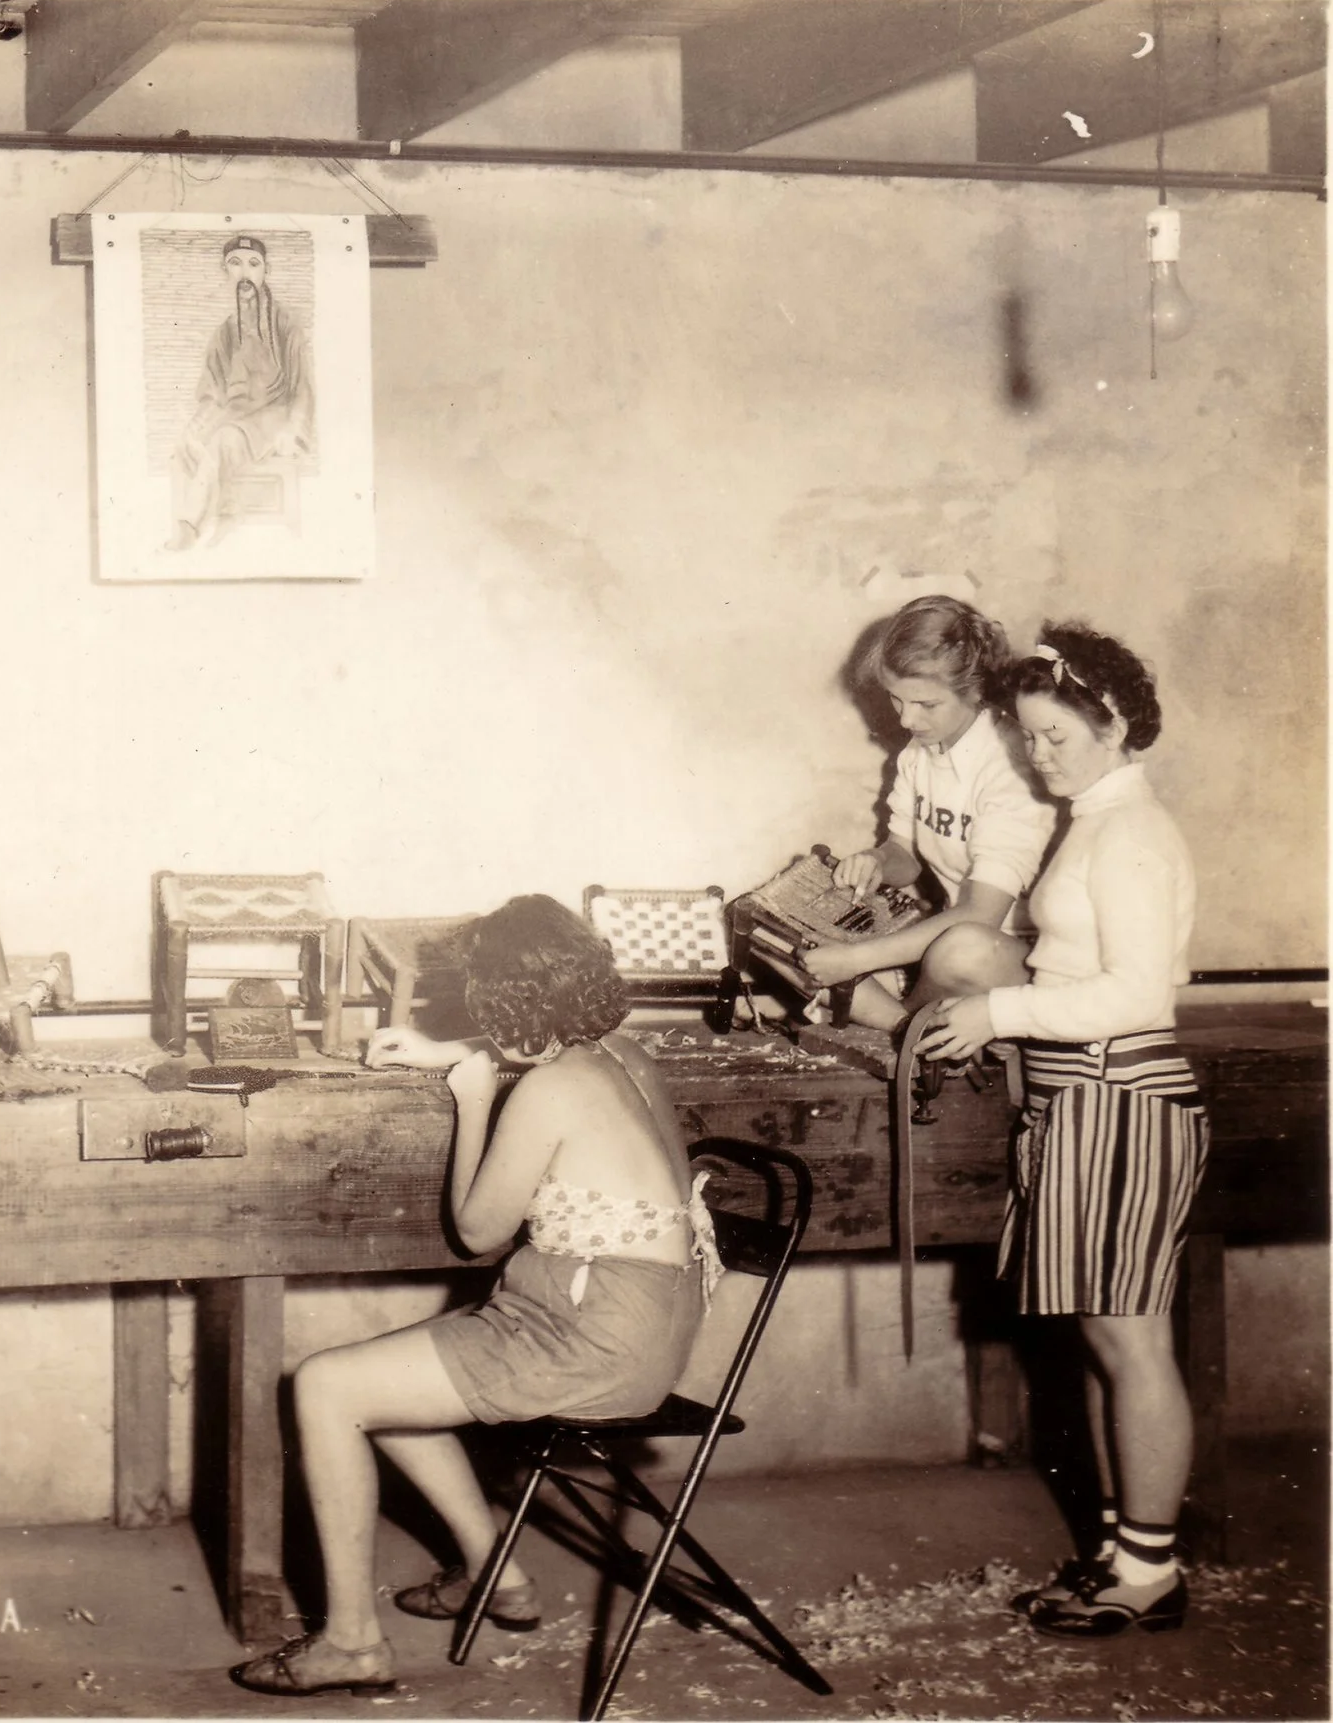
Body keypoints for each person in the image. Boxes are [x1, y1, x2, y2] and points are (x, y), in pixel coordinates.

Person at [230, 896, 721, 1696]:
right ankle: (499, 1574)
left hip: (591, 1336)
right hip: (640, 1320)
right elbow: (545, 1061)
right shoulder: (622, 1052)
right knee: (380, 1380)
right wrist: (454, 1050)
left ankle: (352, 1642)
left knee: (325, 1386)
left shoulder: (547, 1092)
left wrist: (474, 1098)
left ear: (511, 1001)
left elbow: (477, 1231)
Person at [920, 624, 1205, 1637]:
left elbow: (1136, 995)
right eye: (1028, 736)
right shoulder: (1094, 822)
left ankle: (1151, 1569)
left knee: (1132, 1343)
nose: (1039, 755)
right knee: (1102, 1341)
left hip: (1118, 1094)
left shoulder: (1129, 832)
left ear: (1113, 722)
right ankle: (1121, 1551)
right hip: (1077, 1099)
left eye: (1056, 735)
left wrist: (996, 1012)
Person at [801, 596, 1056, 1030]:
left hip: (1021, 957)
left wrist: (855, 960)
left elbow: (982, 915)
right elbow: (905, 857)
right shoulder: (919, 752)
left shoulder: (1011, 765)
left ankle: (901, 1021)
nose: (906, 720)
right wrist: (876, 861)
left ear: (975, 691)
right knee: (787, 942)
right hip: (947, 942)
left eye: (926, 705)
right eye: (897, 700)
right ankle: (909, 1025)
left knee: (961, 951)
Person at [166, 233, 315, 552]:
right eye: (235, 263)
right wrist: (194, 427)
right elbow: (212, 393)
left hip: (272, 416)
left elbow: (302, 384)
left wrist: (293, 430)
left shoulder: (285, 323)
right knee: (186, 447)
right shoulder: (224, 332)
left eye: (253, 264)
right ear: (225, 271)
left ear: (265, 270)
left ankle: (190, 527)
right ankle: (224, 513)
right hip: (234, 416)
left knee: (224, 440)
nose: (244, 273)